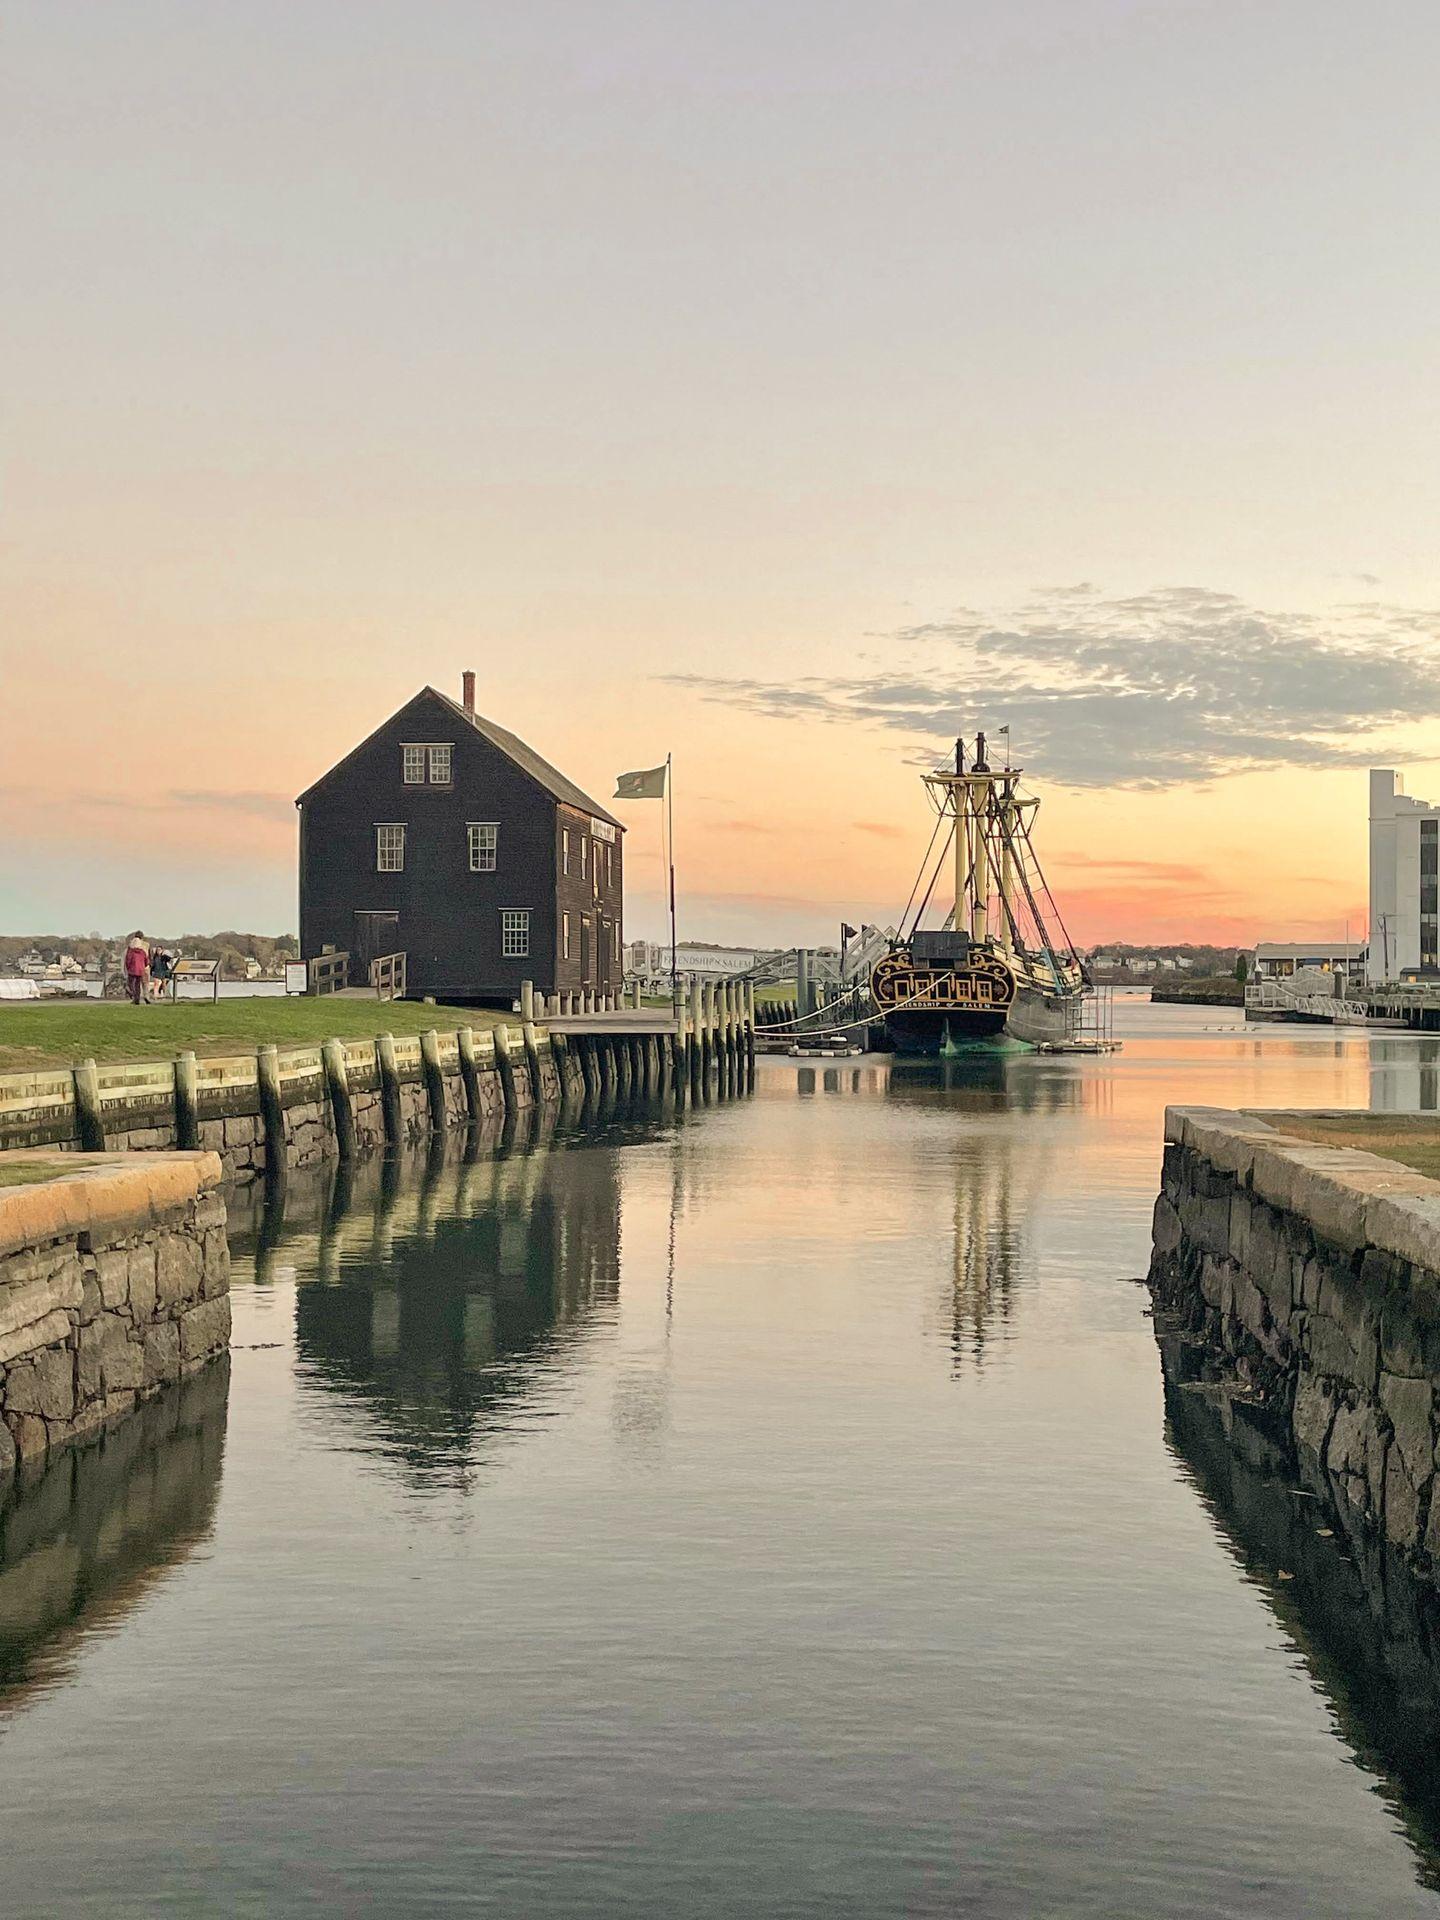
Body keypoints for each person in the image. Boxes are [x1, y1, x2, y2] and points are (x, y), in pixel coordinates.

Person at [123, 932, 150, 1005]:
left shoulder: (131, 951)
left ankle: (134, 996)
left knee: (131, 984)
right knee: (138, 985)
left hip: (132, 970)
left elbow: (128, 960)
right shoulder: (143, 951)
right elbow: (147, 961)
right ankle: (138, 999)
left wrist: (128, 968)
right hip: (141, 970)